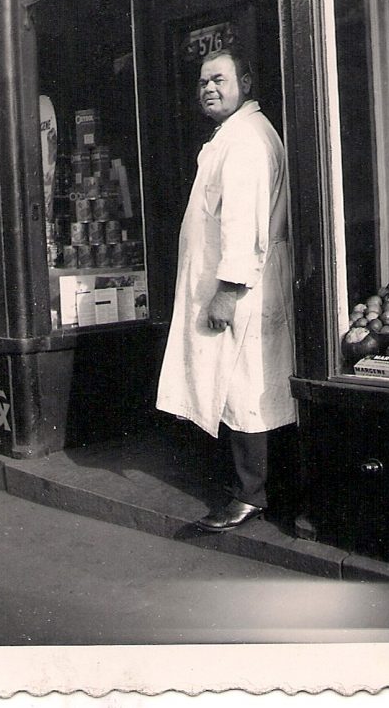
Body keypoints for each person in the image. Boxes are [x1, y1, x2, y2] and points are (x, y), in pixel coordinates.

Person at [156, 48, 297, 532]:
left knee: (243, 387)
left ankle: (250, 494)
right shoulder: (234, 135)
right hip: (242, 281)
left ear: (246, 81)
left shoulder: (247, 142)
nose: (208, 89)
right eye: (202, 83)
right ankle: (254, 488)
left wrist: (227, 290)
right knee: (245, 384)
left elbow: (243, 224)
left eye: (218, 79)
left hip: (243, 284)